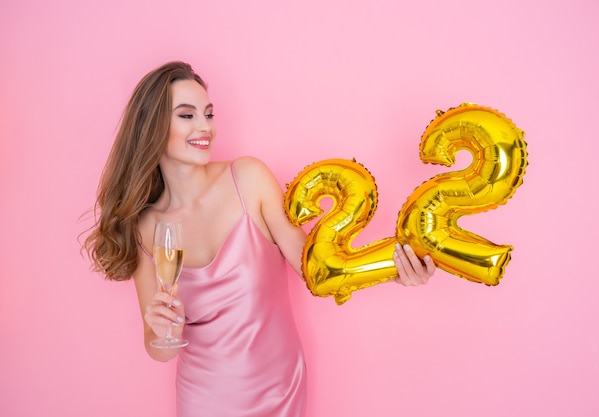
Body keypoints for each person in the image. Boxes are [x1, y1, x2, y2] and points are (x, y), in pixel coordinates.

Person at [82, 61, 436, 417]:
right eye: (187, 116)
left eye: (208, 113)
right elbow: (159, 349)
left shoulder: (248, 179)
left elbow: (315, 271)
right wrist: (164, 330)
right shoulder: (146, 228)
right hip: (204, 398)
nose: (205, 127)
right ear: (152, 127)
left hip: (278, 389)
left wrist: (395, 267)